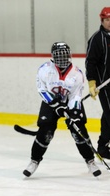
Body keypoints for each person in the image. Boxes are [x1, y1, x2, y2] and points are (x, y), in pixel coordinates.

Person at [23, 42, 101, 178]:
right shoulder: (44, 70)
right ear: (53, 57)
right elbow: (42, 89)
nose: (62, 59)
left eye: (64, 56)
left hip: (69, 103)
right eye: (59, 56)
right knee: (45, 132)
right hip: (50, 103)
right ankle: (34, 161)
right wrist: (55, 104)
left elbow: (76, 95)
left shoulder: (77, 73)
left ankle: (90, 161)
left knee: (79, 130)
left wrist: (74, 111)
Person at [86, 7, 110, 159]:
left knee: (108, 117)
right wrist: (92, 83)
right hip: (105, 86)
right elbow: (91, 62)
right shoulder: (97, 38)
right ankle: (102, 147)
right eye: (107, 20)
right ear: (102, 21)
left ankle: (102, 147)